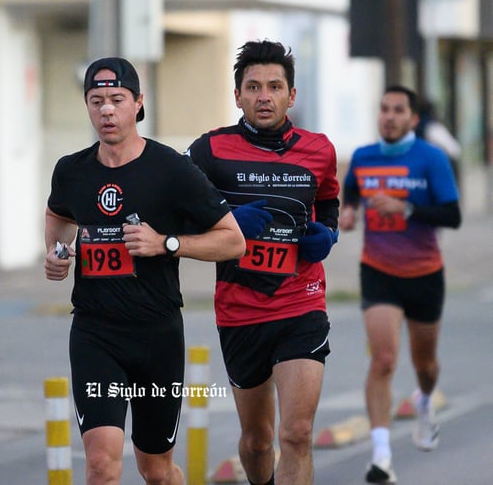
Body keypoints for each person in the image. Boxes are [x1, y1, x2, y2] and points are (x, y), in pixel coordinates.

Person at [44, 56, 245, 485]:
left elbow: (233, 240)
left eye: (117, 99)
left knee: (155, 469)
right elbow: (58, 214)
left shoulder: (171, 169)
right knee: (101, 463)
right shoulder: (72, 171)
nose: (106, 111)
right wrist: (57, 251)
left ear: (138, 103)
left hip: (157, 336)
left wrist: (166, 244)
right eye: (96, 101)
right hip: (96, 334)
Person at [185, 40, 340, 485]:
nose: (264, 96)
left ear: (292, 96)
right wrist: (227, 218)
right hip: (240, 309)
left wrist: (326, 235)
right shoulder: (209, 151)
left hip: (301, 303)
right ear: (238, 96)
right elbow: (173, 204)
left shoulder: (319, 150)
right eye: (253, 87)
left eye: (274, 87)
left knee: (297, 433)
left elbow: (327, 201)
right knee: (257, 440)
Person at [338, 85, 461, 484]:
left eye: (398, 111)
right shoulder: (363, 157)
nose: (389, 116)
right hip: (379, 271)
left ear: (412, 119)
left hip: (425, 273)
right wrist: (349, 211)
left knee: (424, 364)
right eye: (384, 109)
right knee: (384, 359)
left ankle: (424, 403)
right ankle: (381, 458)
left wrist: (405, 207)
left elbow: (452, 215)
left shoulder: (431, 158)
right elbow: (351, 192)